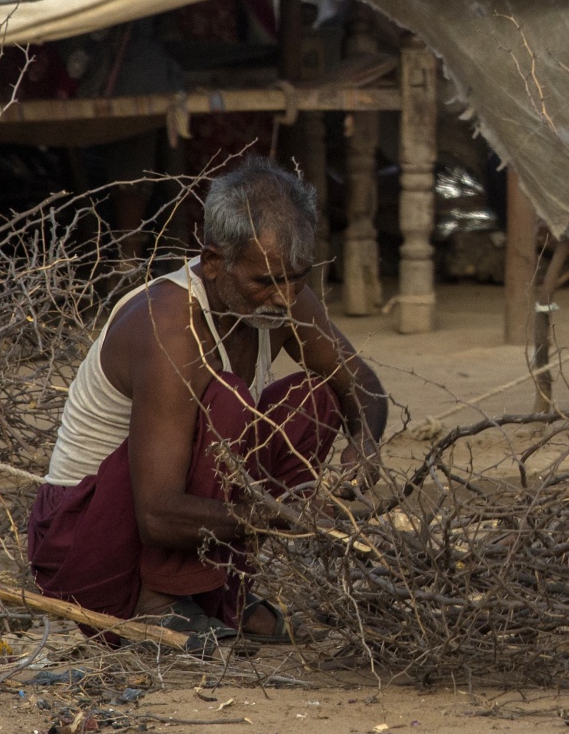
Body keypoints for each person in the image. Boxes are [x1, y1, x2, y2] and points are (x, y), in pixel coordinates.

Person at [27, 159, 387, 644]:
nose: (284, 298)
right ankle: (160, 600)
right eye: (265, 282)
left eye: (297, 277)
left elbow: (359, 383)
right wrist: (279, 516)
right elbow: (157, 515)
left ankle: (219, 591)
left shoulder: (282, 294)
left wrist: (365, 444)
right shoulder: (170, 326)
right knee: (229, 400)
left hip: (174, 520)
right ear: (214, 261)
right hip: (88, 538)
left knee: (315, 398)